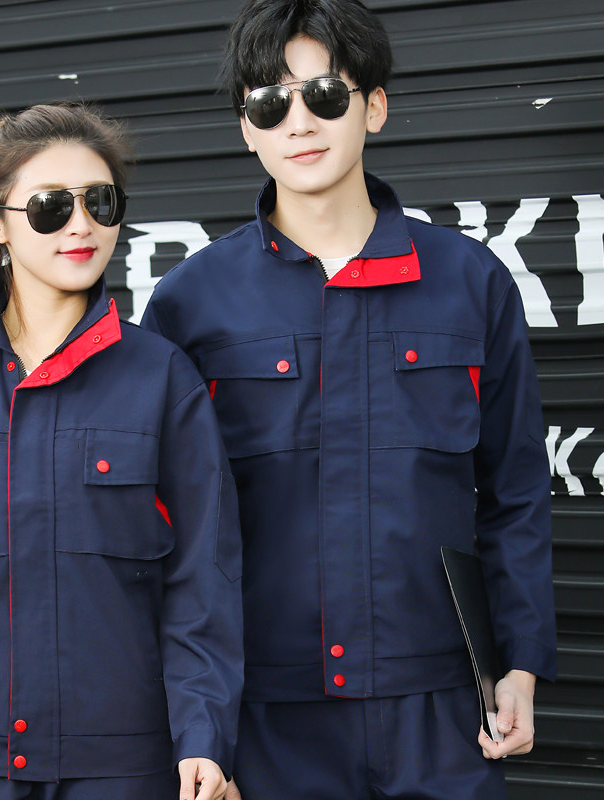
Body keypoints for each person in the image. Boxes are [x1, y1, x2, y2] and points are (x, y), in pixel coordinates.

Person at [141, 2, 557, 798]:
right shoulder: (192, 303)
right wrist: (198, 723)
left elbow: (515, 491)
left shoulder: (469, 283)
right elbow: (171, 531)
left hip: (441, 707)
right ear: (247, 129)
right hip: (268, 713)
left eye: (326, 94)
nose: (299, 122)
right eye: (271, 102)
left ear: (375, 106)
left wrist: (522, 661)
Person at [0, 102, 242, 800]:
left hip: (123, 770)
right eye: (51, 207)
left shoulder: (162, 380)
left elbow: (202, 581)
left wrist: (204, 736)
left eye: (100, 202)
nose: (81, 224)